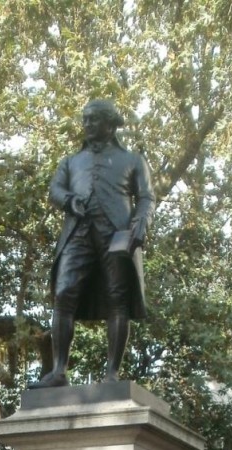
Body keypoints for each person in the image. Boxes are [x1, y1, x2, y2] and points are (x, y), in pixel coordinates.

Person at [31, 99, 155, 388]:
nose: (86, 125)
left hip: (117, 235)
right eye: (84, 120)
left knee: (117, 299)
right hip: (78, 232)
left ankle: (112, 373)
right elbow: (55, 189)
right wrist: (69, 199)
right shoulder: (71, 162)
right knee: (63, 293)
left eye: (93, 120)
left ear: (110, 125)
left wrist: (140, 223)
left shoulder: (133, 160)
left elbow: (147, 197)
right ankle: (59, 371)